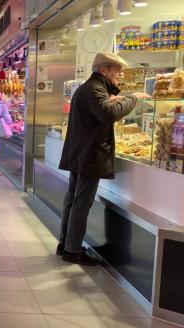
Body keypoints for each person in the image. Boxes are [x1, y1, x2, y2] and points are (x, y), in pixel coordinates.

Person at [58, 52, 150, 265]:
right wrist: (132, 98)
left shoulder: (88, 89)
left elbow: (100, 110)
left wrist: (112, 100)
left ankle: (65, 245)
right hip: (90, 154)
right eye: (117, 70)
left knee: (73, 199)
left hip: (81, 153)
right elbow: (108, 114)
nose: (120, 75)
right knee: (81, 202)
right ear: (103, 70)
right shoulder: (94, 89)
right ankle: (72, 251)